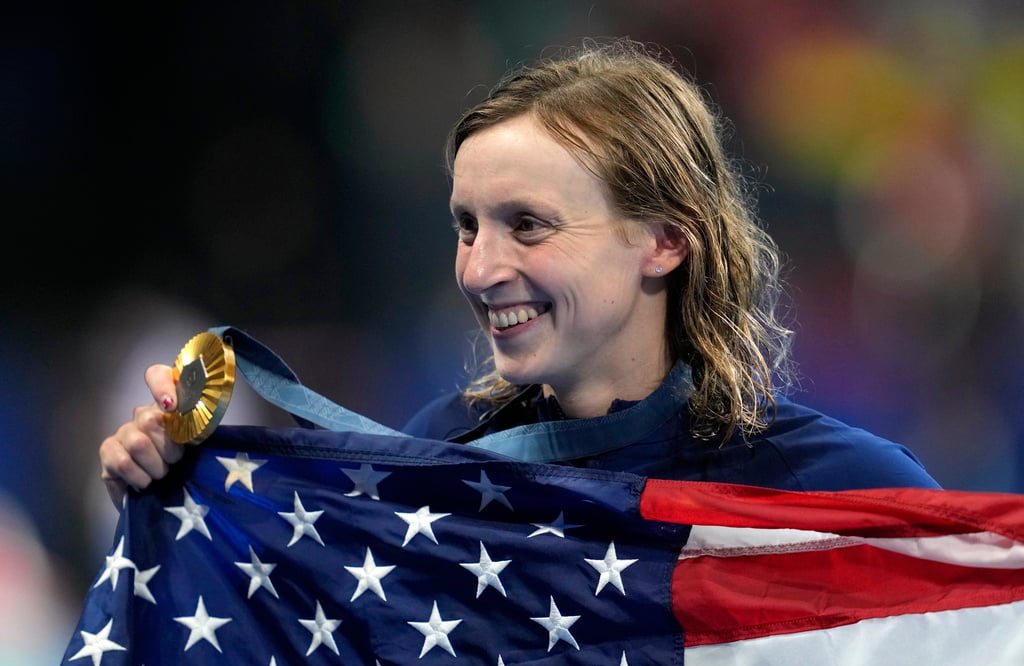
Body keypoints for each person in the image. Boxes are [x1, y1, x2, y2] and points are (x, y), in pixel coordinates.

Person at [99, 38, 940, 509]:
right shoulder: (435, 462)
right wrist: (181, 495)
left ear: (664, 242)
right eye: (467, 226)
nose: (480, 267)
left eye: (528, 225)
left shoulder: (834, 488)